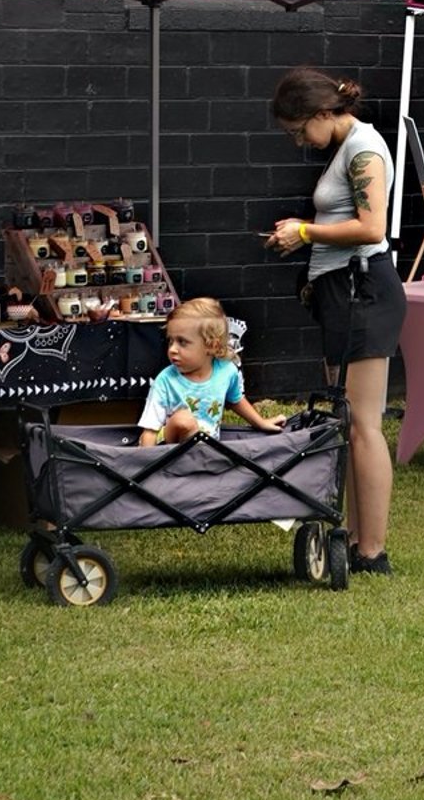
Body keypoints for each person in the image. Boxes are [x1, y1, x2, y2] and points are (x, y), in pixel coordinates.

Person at [266, 67, 404, 577]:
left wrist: (304, 232)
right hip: (342, 292)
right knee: (347, 423)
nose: (301, 141)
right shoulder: (345, 151)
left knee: (364, 425)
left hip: (362, 290)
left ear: (324, 113)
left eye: (301, 130)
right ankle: (355, 536)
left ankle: (373, 553)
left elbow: (373, 227)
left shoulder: (364, 149)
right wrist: (304, 235)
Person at [137, 299, 286, 446]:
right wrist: (147, 462)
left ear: (212, 346)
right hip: (170, 449)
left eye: (182, 342)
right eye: (171, 341)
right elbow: (149, 431)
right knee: (183, 419)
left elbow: (236, 400)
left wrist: (261, 423)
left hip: (207, 448)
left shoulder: (226, 371)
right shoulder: (165, 380)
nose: (172, 349)